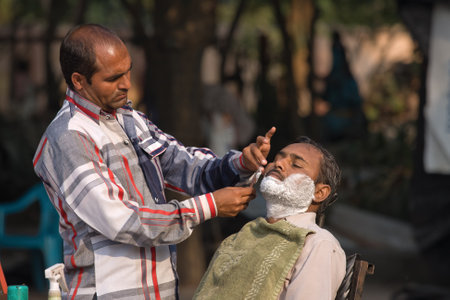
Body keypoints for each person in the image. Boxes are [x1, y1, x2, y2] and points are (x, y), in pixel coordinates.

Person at [32, 23, 276, 299]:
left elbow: (186, 166)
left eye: (128, 72)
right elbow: (123, 221)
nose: (127, 84)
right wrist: (210, 206)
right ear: (79, 81)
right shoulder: (69, 136)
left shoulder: (129, 118)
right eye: (113, 78)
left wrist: (239, 164)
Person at [193, 136, 346, 300]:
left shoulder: (318, 244)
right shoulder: (247, 233)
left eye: (296, 164)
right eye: (276, 159)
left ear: (319, 192)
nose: (277, 164)